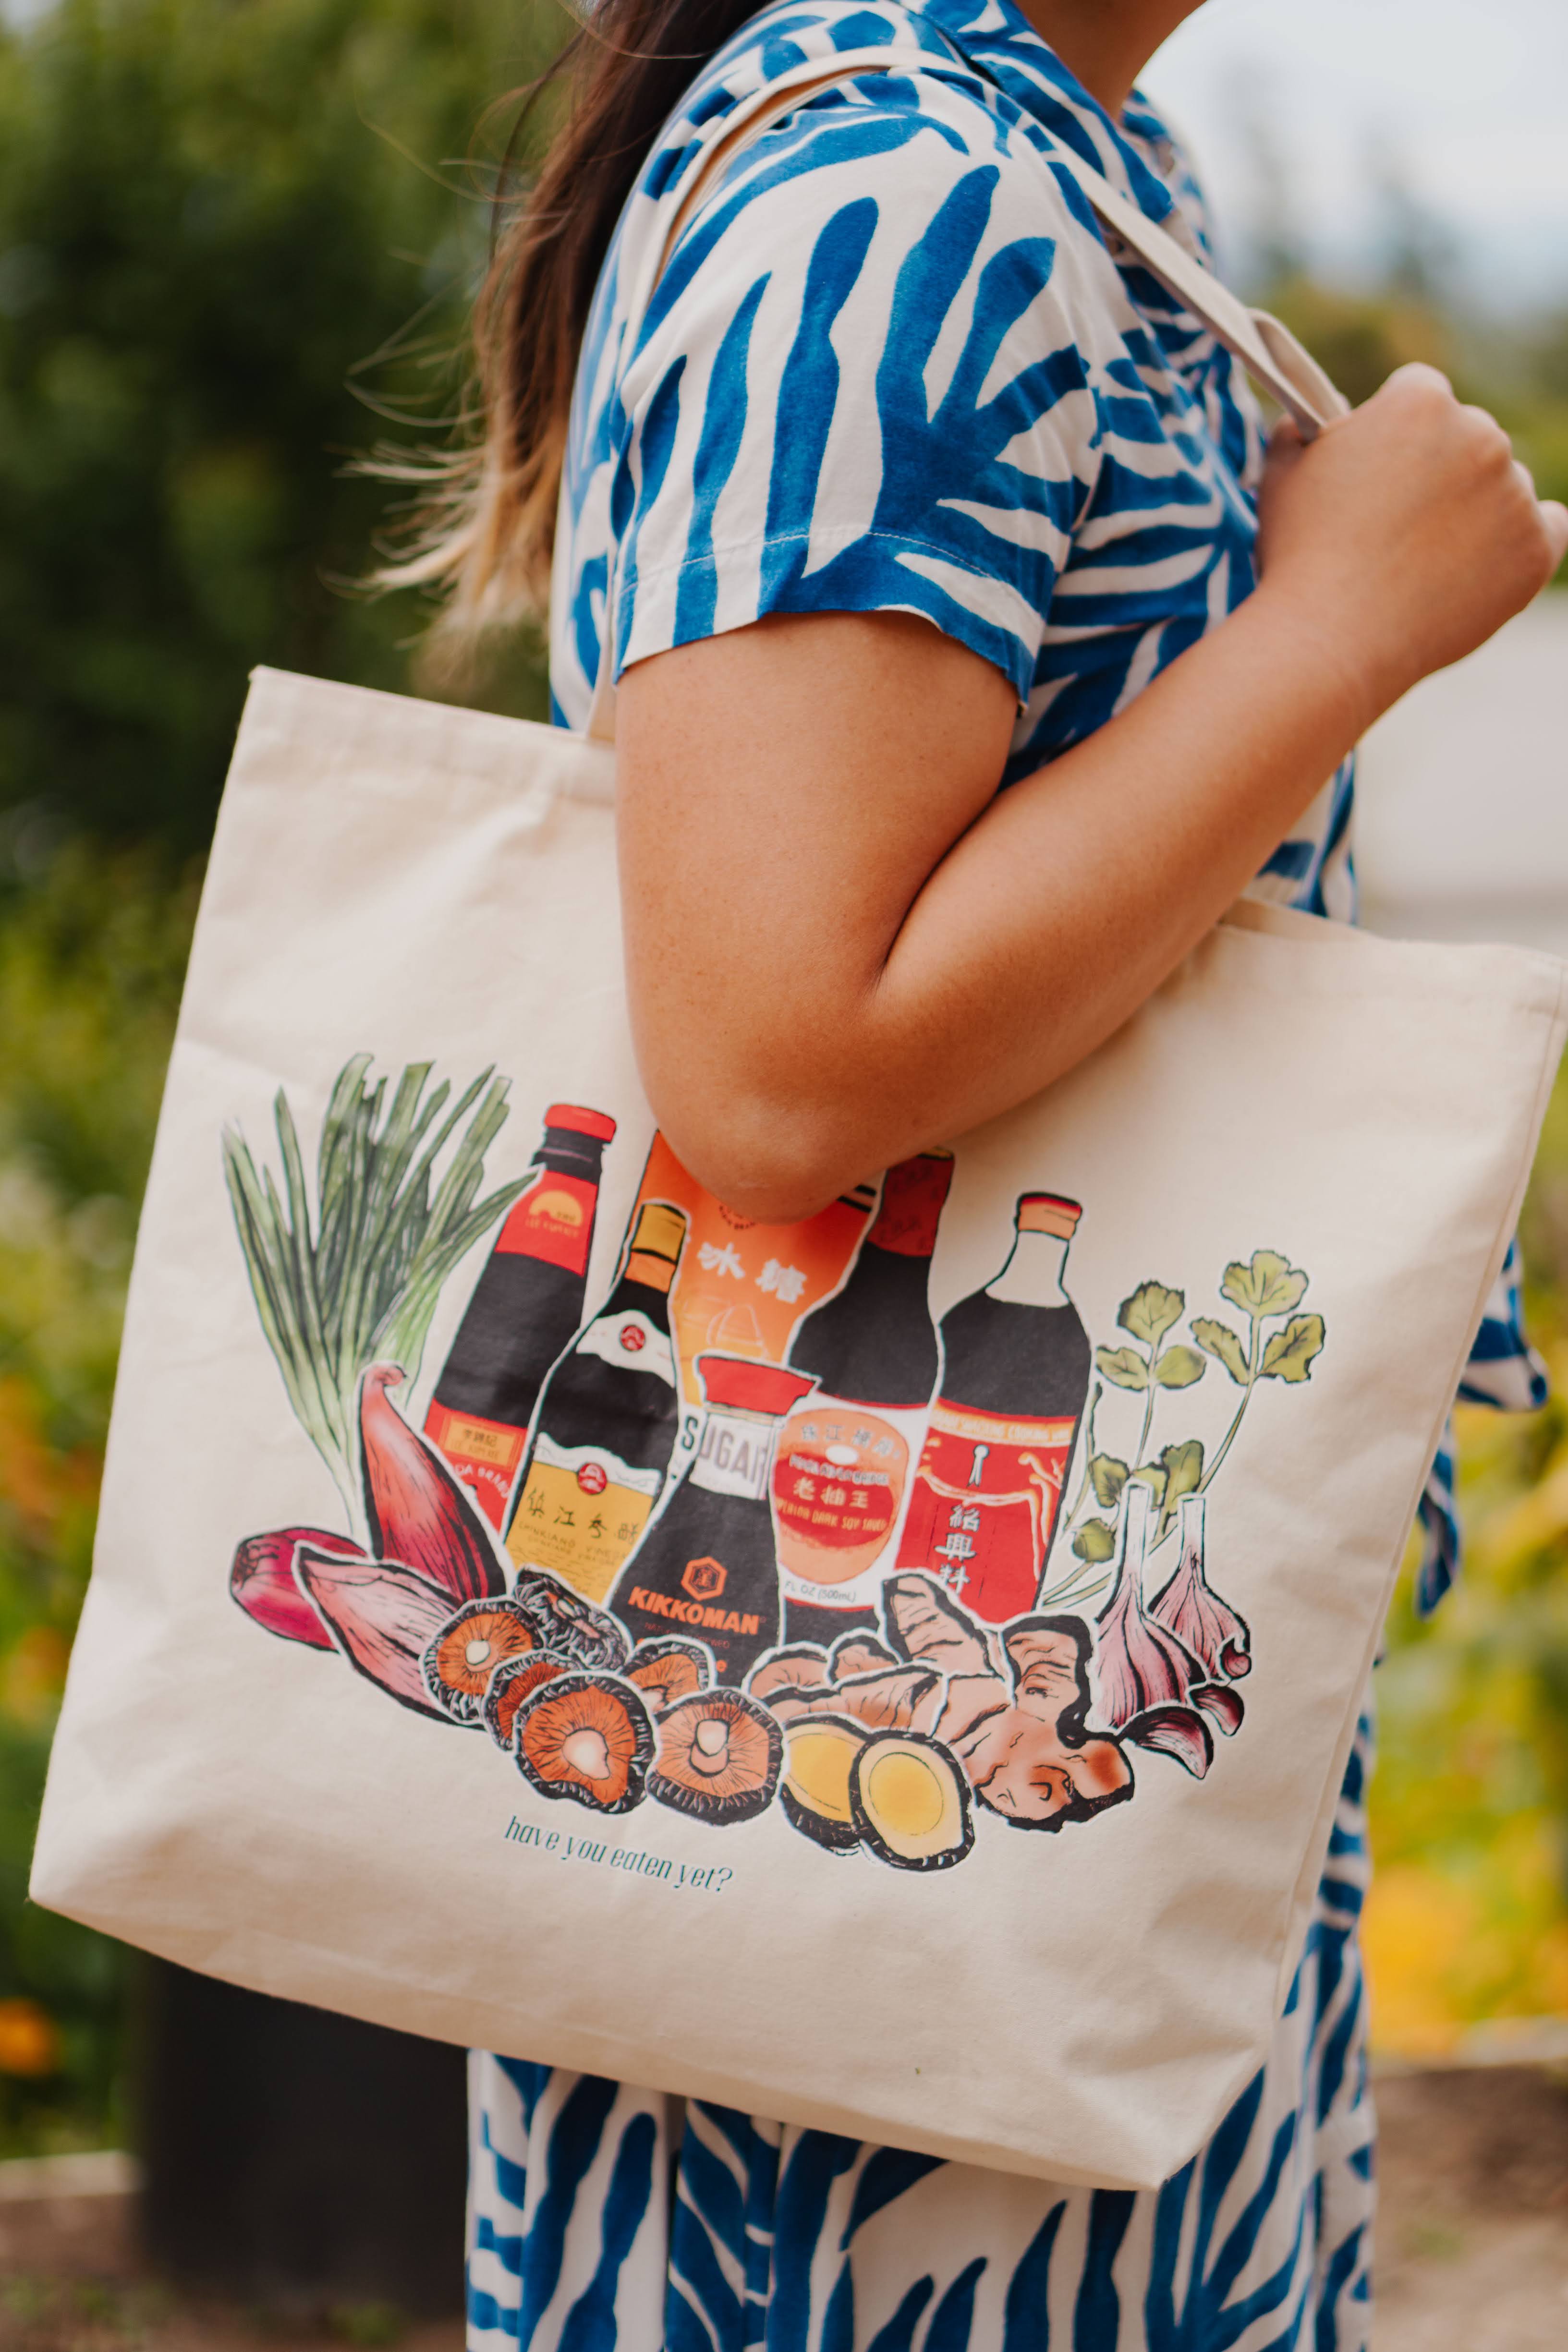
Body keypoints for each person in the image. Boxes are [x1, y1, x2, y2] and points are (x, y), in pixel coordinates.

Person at [395, 0, 1568, 2342]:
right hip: (841, 1840)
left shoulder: (1080, 168)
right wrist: (1336, 632)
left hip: (1036, 1764)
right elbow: (773, 1066)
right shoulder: (910, 209)